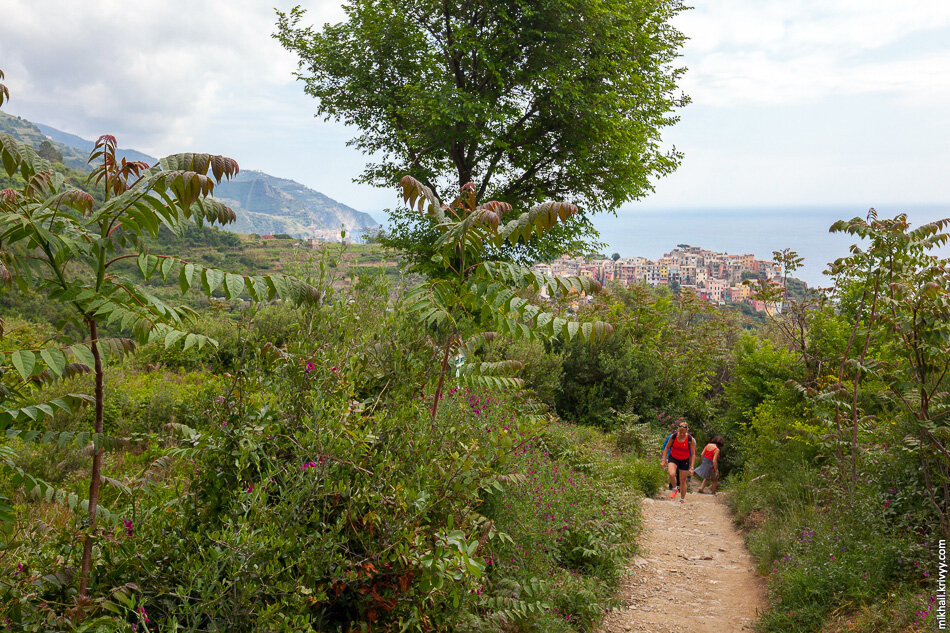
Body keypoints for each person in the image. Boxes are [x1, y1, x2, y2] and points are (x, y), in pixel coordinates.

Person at [660, 420, 696, 503]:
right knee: (671, 473)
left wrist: (692, 467)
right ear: (678, 430)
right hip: (673, 457)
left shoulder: (690, 439)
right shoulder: (674, 436)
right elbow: (666, 447)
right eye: (680, 432)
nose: (681, 435)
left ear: (687, 431)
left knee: (683, 480)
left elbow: (693, 454)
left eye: (683, 433)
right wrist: (663, 460)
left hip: (684, 459)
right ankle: (674, 488)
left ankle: (682, 498)